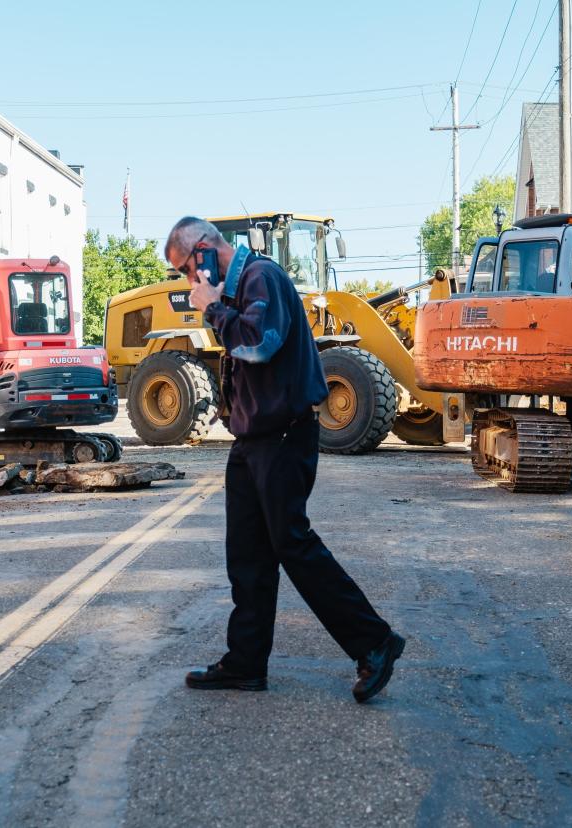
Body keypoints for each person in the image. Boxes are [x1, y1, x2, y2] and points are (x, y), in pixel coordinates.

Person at [165, 216, 405, 704]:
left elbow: (258, 344)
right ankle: (246, 663)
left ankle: (375, 642)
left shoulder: (261, 277)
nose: (187, 280)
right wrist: (217, 308)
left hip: (283, 436)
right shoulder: (237, 290)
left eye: (186, 268)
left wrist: (212, 309)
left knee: (292, 545)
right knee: (247, 556)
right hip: (252, 440)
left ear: (206, 249)